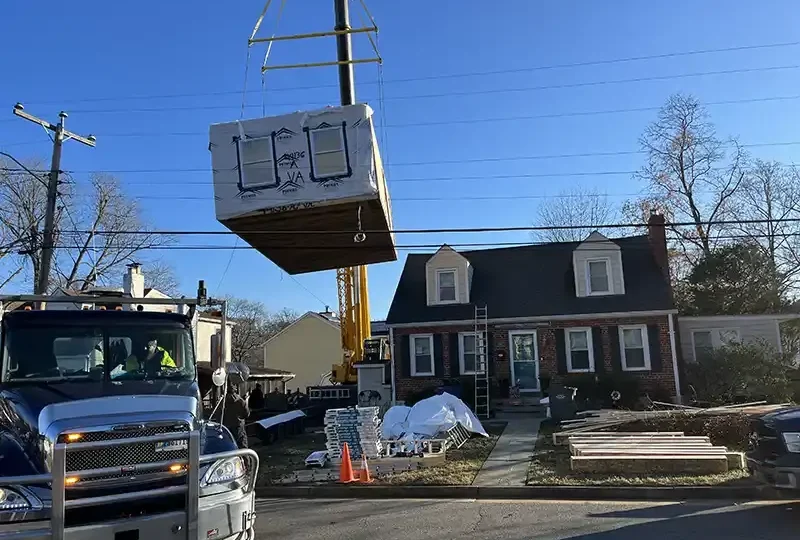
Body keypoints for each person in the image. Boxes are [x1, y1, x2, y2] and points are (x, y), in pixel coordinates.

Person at [218, 382, 250, 448]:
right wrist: (240, 418)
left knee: (228, 447)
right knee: (242, 448)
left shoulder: (222, 402)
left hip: (226, 427)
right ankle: (245, 458)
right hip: (239, 427)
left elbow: (218, 415)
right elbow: (247, 414)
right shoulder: (241, 401)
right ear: (235, 389)